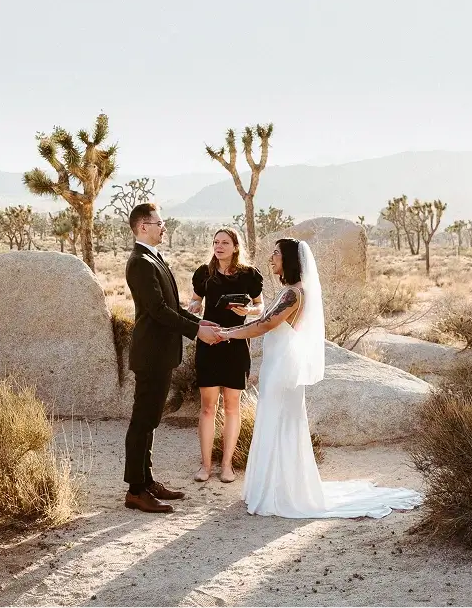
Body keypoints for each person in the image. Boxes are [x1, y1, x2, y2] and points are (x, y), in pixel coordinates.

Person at [216, 237, 423, 518]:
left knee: (279, 421)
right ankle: (277, 487)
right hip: (279, 362)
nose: (272, 258)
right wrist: (246, 313)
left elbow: (266, 324)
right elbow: (268, 317)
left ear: (289, 259)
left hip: (282, 367)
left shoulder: (292, 294)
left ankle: (278, 492)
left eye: (276, 254)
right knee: (278, 420)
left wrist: (227, 334)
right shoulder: (291, 291)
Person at [123, 203, 221, 514]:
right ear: (143, 227)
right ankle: (136, 490)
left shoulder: (153, 257)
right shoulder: (139, 262)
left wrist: (200, 322)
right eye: (159, 223)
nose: (164, 227)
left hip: (160, 353)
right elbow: (157, 311)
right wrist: (196, 333)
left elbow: (172, 306)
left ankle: (146, 480)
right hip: (151, 353)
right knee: (143, 421)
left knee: (150, 419)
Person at [188, 228, 264, 483]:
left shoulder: (249, 275)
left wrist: (249, 311)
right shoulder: (204, 273)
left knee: (232, 408)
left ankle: (227, 465)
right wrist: (195, 306)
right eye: (215, 242)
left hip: (236, 344)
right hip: (209, 343)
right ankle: (205, 466)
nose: (218, 246)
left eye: (224, 242)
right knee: (208, 408)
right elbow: (195, 300)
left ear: (235, 247)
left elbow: (260, 305)